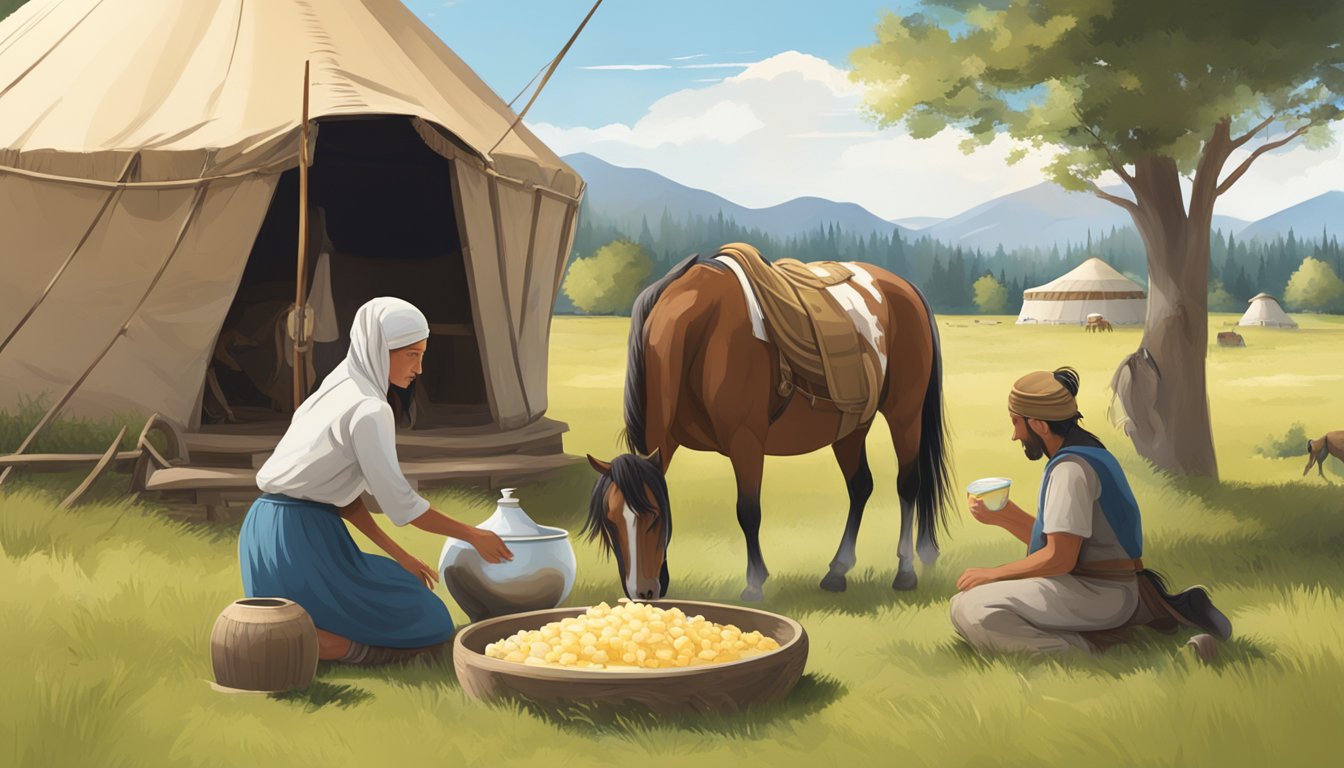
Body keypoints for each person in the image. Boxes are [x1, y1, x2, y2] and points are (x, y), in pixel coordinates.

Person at [239, 297, 513, 666]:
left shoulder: (335, 388)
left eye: (422, 355)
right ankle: (350, 649)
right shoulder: (369, 409)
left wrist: (400, 556)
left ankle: (300, 634)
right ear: (379, 349)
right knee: (430, 617)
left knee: (395, 581)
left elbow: (344, 501)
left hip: (263, 531)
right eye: (411, 355)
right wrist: (473, 535)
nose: (420, 368)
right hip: (299, 541)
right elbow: (402, 505)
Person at [949, 366, 1231, 657]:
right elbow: (1067, 540)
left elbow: (1060, 557)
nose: (1014, 435)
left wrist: (994, 574)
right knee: (969, 602)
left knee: (972, 608)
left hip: (1099, 592)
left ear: (1040, 425)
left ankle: (1089, 654)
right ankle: (1136, 631)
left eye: (1017, 423)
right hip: (1097, 586)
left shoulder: (1071, 470)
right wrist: (1005, 516)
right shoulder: (1087, 453)